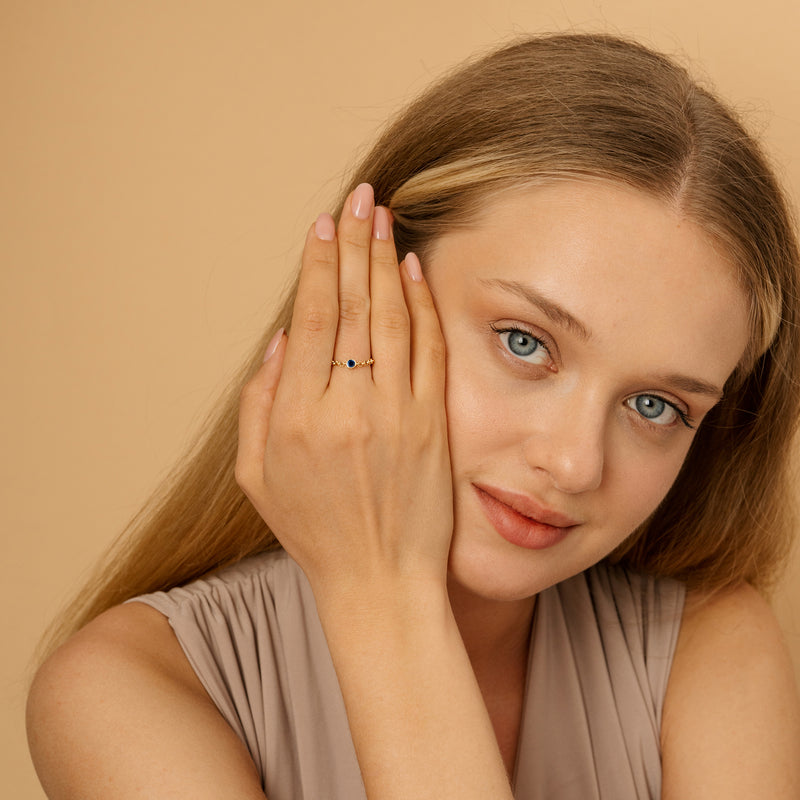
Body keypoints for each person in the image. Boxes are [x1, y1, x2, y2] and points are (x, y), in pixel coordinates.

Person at [26, 32, 800, 799]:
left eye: (655, 405)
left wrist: (382, 590)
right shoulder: (123, 693)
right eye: (524, 341)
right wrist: (382, 588)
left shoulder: (711, 650)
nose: (574, 463)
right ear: (366, 295)